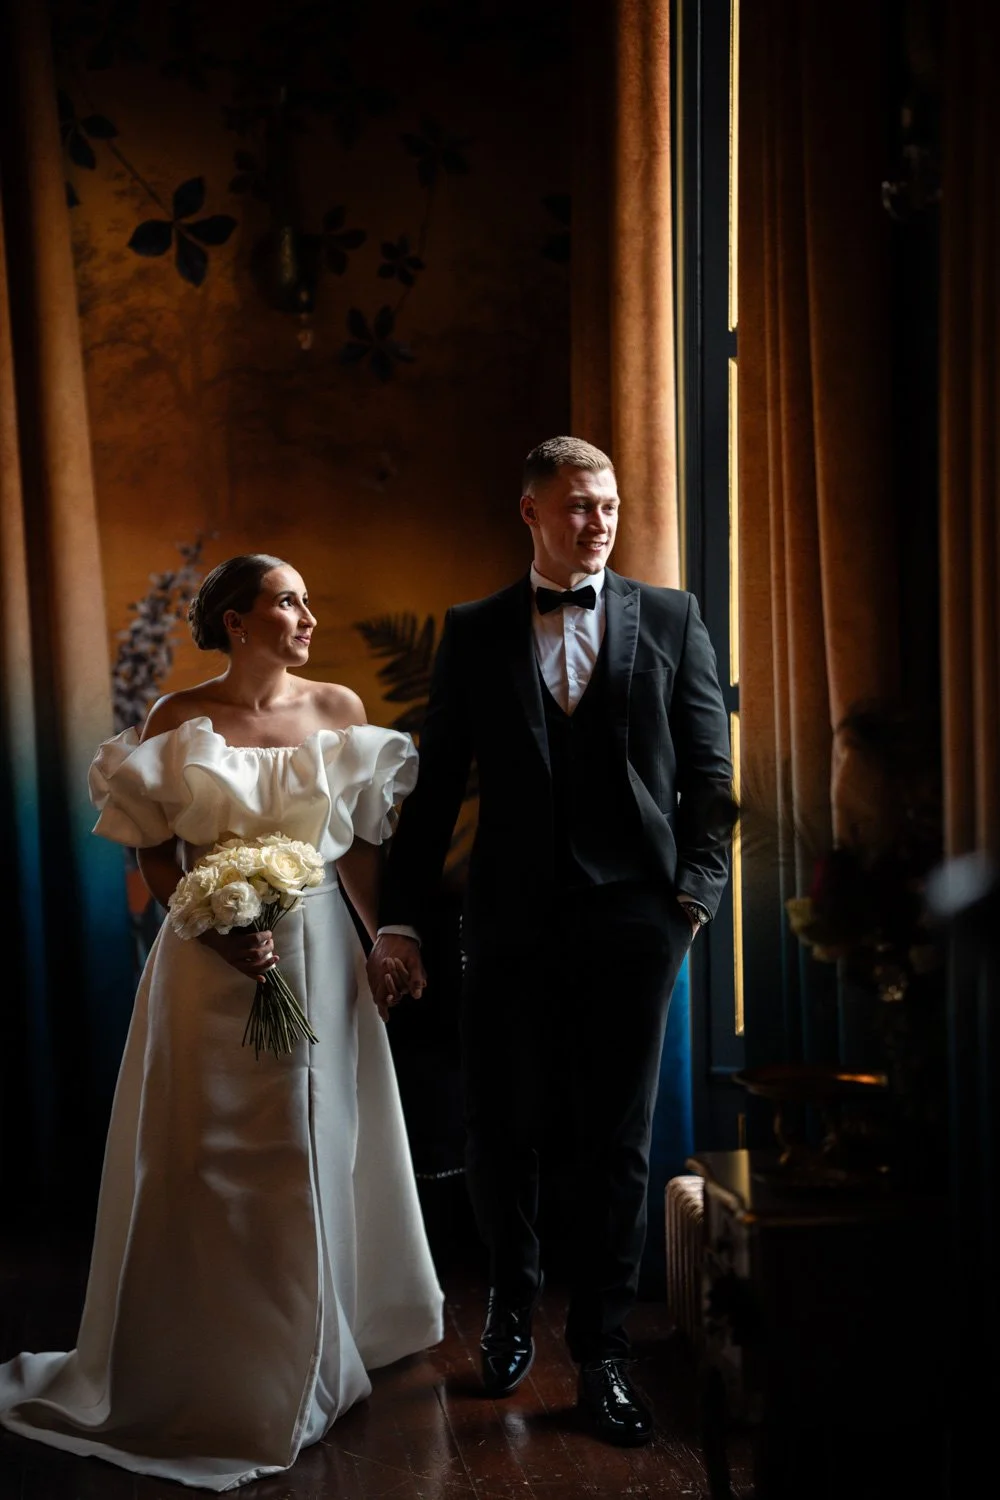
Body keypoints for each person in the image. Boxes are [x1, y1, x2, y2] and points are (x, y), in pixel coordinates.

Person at [0, 554, 443, 1491]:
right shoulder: (176, 720)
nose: (308, 615)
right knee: (208, 1158)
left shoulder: (340, 713)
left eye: (309, 599)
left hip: (319, 958)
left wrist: (386, 940)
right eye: (290, 601)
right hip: (208, 968)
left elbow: (360, 848)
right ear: (238, 621)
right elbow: (158, 849)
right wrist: (207, 919)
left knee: (314, 1145)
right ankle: (211, 1363)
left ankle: (316, 1356)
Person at [367, 437, 733, 1447]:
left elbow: (710, 772)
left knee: (617, 1144)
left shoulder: (671, 618)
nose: (598, 522)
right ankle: (510, 1309)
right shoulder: (477, 629)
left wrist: (691, 901)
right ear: (530, 512)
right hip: (511, 918)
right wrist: (399, 917)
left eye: (608, 505)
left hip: (636, 919)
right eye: (577, 506)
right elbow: (438, 786)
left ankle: (605, 1351)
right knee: (502, 1127)